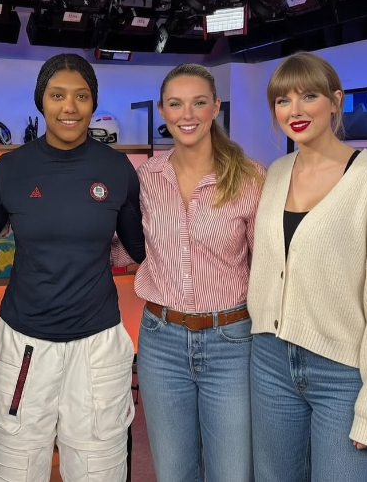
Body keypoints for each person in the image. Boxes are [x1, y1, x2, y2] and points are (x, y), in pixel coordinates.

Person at [0, 53, 146, 482]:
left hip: (97, 346)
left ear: (93, 103)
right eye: (57, 95)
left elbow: (143, 248)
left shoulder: (117, 168)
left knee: (98, 471)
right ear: (41, 101)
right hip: (23, 345)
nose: (69, 107)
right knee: (13, 470)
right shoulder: (11, 170)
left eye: (81, 96)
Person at [247, 51, 367, 482]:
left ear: (335, 101)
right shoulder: (276, 173)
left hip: (342, 372)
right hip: (270, 361)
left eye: (308, 96)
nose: (294, 110)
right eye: (283, 100)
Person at [114, 63, 265, 482]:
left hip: (232, 341)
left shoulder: (250, 177)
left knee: (232, 473)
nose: (187, 114)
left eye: (199, 103)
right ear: (162, 110)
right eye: (176, 104)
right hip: (161, 341)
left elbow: (268, 265)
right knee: (174, 473)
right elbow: (127, 248)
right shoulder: (145, 178)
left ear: (215, 106)